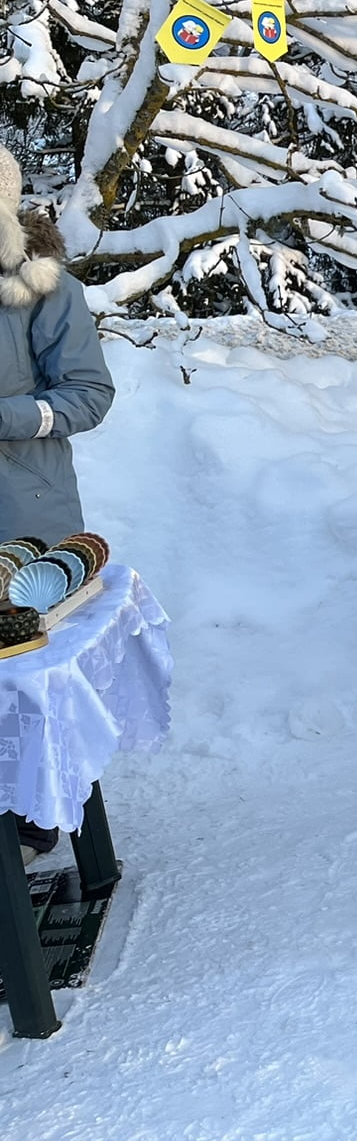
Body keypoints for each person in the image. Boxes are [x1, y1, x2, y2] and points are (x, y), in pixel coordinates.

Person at [0, 144, 116, 864]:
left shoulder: (42, 287)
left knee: (24, 683)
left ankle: (33, 818)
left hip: (21, 514)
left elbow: (89, 394)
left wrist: (8, 416)